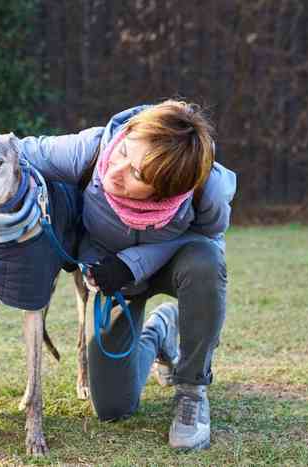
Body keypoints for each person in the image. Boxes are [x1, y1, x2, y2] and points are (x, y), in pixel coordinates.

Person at [14, 100, 236, 450]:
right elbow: (15, 150)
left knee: (205, 262)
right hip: (112, 278)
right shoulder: (93, 150)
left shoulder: (206, 188)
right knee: (113, 407)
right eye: (123, 153)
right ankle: (159, 332)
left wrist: (133, 262)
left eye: (136, 174)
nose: (114, 170)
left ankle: (192, 388)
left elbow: (210, 241)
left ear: (167, 189)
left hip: (171, 266)